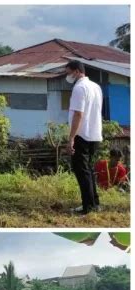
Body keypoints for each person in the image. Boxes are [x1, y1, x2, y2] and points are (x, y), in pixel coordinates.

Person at [65, 60, 103, 215]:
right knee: (88, 171)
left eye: (68, 72)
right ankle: (94, 204)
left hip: (82, 135)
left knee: (82, 171)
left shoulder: (79, 88)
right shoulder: (95, 86)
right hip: (94, 135)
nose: (67, 76)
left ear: (76, 71)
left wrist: (71, 138)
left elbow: (78, 114)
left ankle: (88, 207)